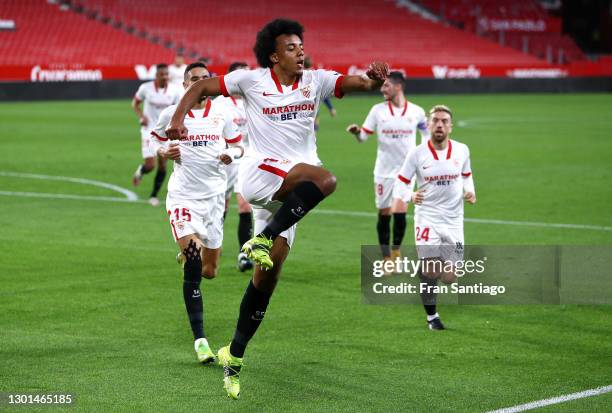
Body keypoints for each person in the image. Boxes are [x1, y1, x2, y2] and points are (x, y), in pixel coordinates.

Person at [165, 18, 389, 399]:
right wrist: (176, 120)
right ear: (273, 56)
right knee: (326, 180)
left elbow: (359, 84)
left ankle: (233, 356)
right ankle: (262, 239)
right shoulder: (251, 82)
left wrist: (375, 79)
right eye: (291, 48)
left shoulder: (315, 81)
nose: (300, 52)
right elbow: (203, 85)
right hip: (262, 174)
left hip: (289, 194)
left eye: (301, 46)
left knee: (267, 279)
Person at [150, 62, 244, 364]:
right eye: (195, 80)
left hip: (215, 199)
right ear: (185, 84)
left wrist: (232, 153)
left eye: (205, 79)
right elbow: (156, 139)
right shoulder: (172, 113)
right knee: (194, 265)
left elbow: (240, 146)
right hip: (183, 198)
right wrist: (164, 151)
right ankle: (201, 341)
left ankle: (188, 254)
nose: (201, 84)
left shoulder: (222, 113)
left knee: (210, 271)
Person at [395, 105, 476, 330]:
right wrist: (410, 195)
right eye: (435, 121)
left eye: (444, 121)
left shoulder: (462, 150)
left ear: (450, 126)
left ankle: (425, 270)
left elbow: (467, 175)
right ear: (429, 125)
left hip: (453, 220)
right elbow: (400, 182)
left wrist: (471, 191)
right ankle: (432, 317)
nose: (439, 124)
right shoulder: (417, 153)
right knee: (431, 270)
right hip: (427, 218)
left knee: (450, 277)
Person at [346, 71, 429, 268]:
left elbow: (426, 136)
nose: (382, 89)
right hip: (383, 172)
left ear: (398, 86)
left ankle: (395, 252)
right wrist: (357, 133)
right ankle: (385, 258)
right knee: (384, 213)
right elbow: (363, 137)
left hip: (406, 173)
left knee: (400, 212)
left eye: (386, 86)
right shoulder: (377, 110)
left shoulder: (416, 111)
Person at [214, 62, 255, 272]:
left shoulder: (255, 99)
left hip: (247, 159)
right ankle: (213, 244)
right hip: (225, 159)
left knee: (245, 206)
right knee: (221, 207)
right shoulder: (219, 104)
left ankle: (244, 254)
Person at [131, 63, 182, 206]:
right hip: (148, 131)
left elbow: (179, 109)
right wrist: (141, 116)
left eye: (167, 74)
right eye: (162, 74)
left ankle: (153, 195)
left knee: (163, 165)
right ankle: (141, 170)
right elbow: (135, 104)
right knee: (150, 165)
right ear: (156, 75)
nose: (165, 77)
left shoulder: (175, 90)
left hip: (166, 131)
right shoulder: (145, 88)